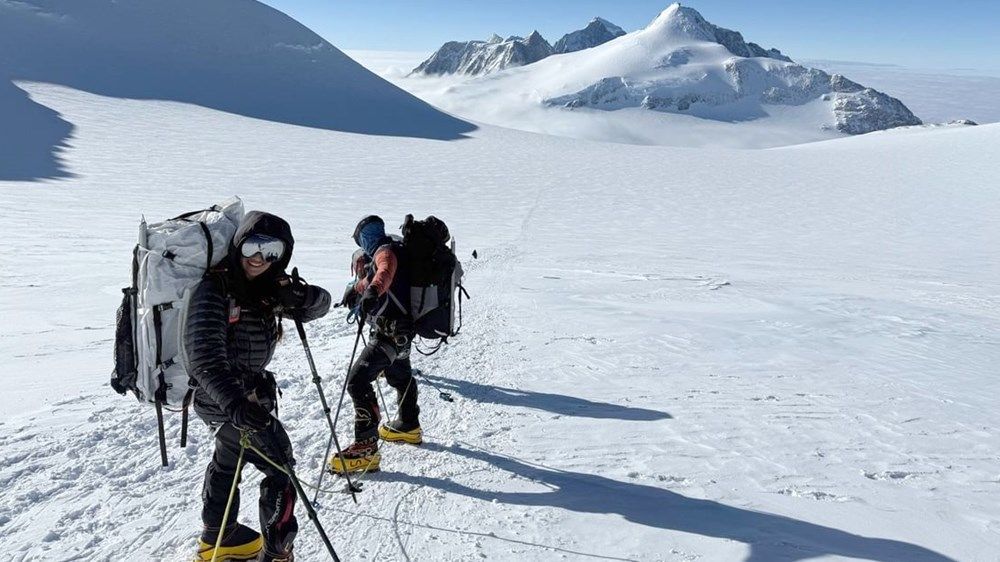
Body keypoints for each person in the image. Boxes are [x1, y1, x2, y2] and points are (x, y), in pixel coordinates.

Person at [185, 211, 331, 562]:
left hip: (242, 396)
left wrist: (303, 296)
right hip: (222, 396)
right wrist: (235, 405)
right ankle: (277, 553)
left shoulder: (268, 289)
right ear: (238, 245)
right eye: (252, 245)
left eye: (272, 251)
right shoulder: (214, 289)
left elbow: (322, 305)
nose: (259, 258)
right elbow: (203, 359)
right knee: (280, 464)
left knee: (227, 458)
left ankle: (219, 535)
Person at [330, 215, 422, 474]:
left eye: (361, 238)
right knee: (400, 374)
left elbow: (383, 273)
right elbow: (377, 276)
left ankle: (365, 448)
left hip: (388, 332)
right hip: (403, 330)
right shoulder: (397, 249)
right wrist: (358, 288)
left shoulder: (385, 252)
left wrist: (371, 291)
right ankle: (408, 425)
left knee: (358, 381)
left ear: (366, 236)